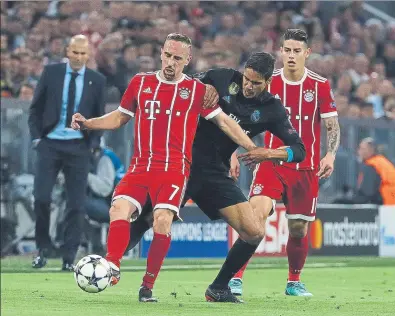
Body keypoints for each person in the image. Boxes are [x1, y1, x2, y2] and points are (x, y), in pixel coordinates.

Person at [71, 33, 260, 303]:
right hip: (140, 167)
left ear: (187, 60)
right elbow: (119, 117)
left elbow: (225, 123)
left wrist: (250, 147)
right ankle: (112, 266)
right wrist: (89, 123)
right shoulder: (141, 83)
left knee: (161, 220)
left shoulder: (196, 91)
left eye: (178, 58)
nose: (171, 62)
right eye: (168, 55)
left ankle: (147, 286)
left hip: (173, 169)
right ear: (162, 53)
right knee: (118, 209)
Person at [127, 51, 306, 303]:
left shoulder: (272, 110)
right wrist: (201, 86)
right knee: (146, 218)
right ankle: (107, 263)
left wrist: (270, 152)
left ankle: (219, 288)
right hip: (183, 162)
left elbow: (299, 150)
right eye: (247, 79)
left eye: (256, 83)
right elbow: (184, 84)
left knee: (254, 231)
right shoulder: (221, 77)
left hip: (213, 172)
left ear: (268, 82)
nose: (248, 86)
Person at [229, 29, 341, 297]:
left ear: (307, 53)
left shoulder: (320, 85)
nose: (291, 56)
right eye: (287, 50)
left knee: (299, 227)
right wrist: (231, 152)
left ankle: (294, 281)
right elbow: (240, 119)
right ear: (281, 52)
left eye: (296, 51)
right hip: (271, 162)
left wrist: (331, 154)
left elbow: (331, 124)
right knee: (255, 216)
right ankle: (235, 277)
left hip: (306, 167)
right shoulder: (268, 82)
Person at [28, 34, 106, 271]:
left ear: (88, 55)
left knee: (76, 203)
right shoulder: (51, 73)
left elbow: (99, 116)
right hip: (50, 143)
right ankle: (42, 248)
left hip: (78, 147)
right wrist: (37, 139)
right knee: (41, 197)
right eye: (75, 52)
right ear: (67, 51)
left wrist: (92, 145)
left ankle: (68, 257)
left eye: (83, 53)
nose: (79, 57)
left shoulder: (97, 80)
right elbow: (36, 108)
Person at [335, 137, 395, 205]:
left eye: (362, 149)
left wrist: (344, 201)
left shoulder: (372, 165)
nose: (359, 151)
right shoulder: (381, 162)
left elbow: (366, 195)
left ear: (371, 150)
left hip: (389, 207)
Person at [84, 141, 125, 254]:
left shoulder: (104, 159)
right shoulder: (106, 155)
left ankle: (91, 245)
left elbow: (104, 189)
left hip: (114, 207)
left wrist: (84, 175)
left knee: (77, 204)